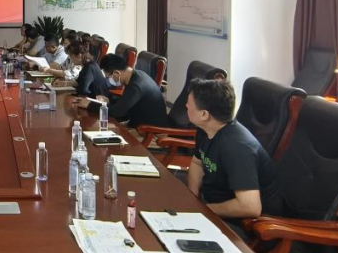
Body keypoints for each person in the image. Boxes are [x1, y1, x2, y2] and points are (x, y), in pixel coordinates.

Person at [185, 79, 282, 224]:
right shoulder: (206, 129)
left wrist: (203, 209)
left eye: (189, 103)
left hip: (243, 223)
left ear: (204, 114)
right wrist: (192, 198)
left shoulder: (237, 147)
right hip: (211, 202)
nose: (186, 105)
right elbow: (197, 162)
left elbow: (250, 207)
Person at [91, 53, 167, 127]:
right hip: (139, 123)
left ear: (116, 73)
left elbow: (118, 112)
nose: (109, 80)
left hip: (151, 130)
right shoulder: (137, 75)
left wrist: (89, 104)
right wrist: (109, 101)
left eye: (108, 77)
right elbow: (126, 104)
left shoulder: (136, 85)